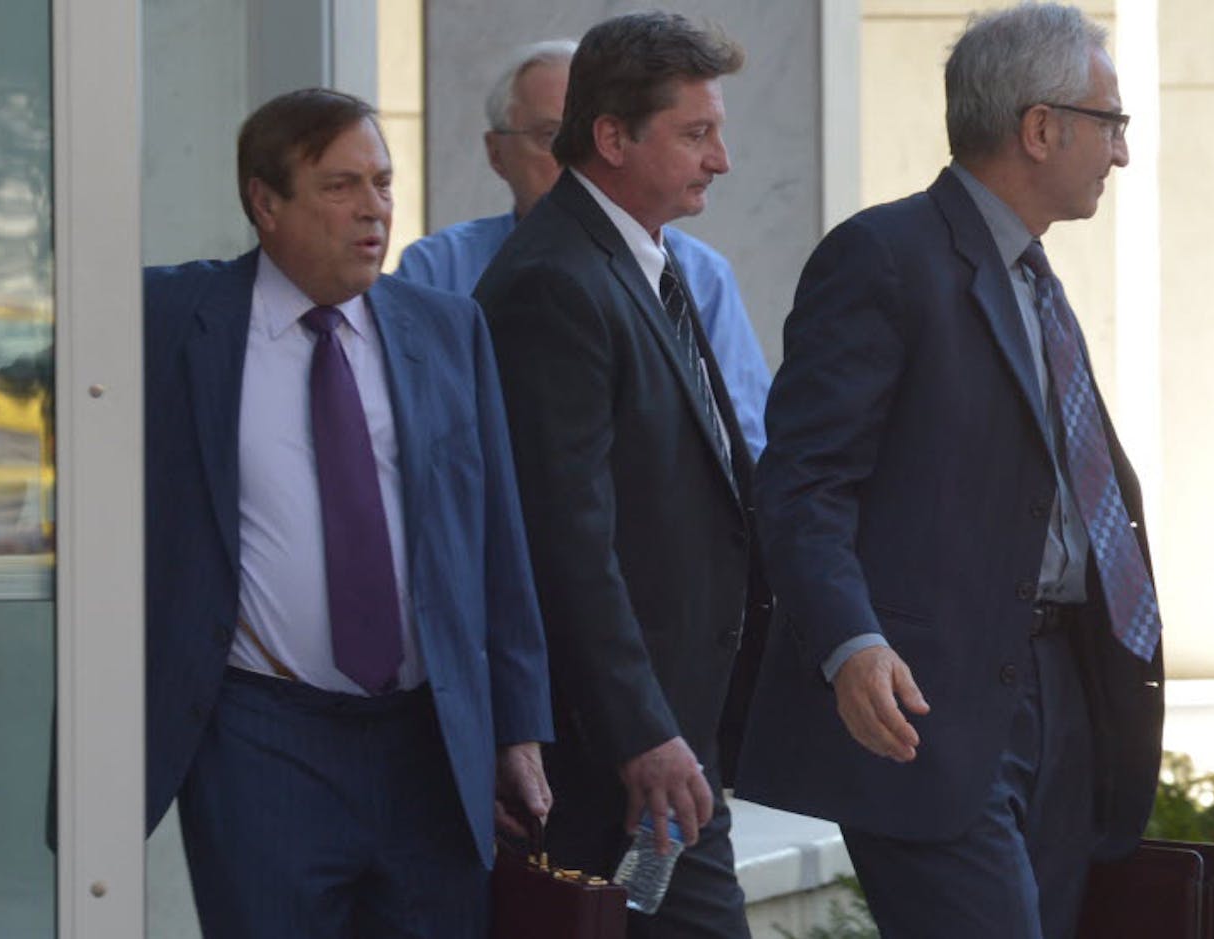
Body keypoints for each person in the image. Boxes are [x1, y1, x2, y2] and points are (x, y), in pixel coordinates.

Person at [734, 4, 1165, 938]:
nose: (1121, 153)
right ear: (1041, 127)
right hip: (926, 711)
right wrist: (850, 643)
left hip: (1060, 698)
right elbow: (803, 485)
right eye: (1111, 123)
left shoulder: (1036, 280)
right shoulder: (882, 258)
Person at [142, 88, 553, 938]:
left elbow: (497, 540)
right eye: (339, 186)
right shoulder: (172, 320)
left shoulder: (447, 328)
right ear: (265, 201)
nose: (374, 208)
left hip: (429, 739)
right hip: (262, 737)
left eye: (382, 181)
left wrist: (515, 728)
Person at [473, 12, 770, 938]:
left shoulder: (646, 261)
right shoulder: (556, 281)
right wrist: (643, 729)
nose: (720, 158)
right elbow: (566, 537)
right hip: (619, 756)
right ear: (611, 137)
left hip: (675, 743)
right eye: (695, 133)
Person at [397, 39, 772, 458]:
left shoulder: (697, 273)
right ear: (496, 154)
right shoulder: (436, 269)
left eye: (583, 134)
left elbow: (745, 439)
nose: (575, 154)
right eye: (552, 136)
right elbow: (419, 428)